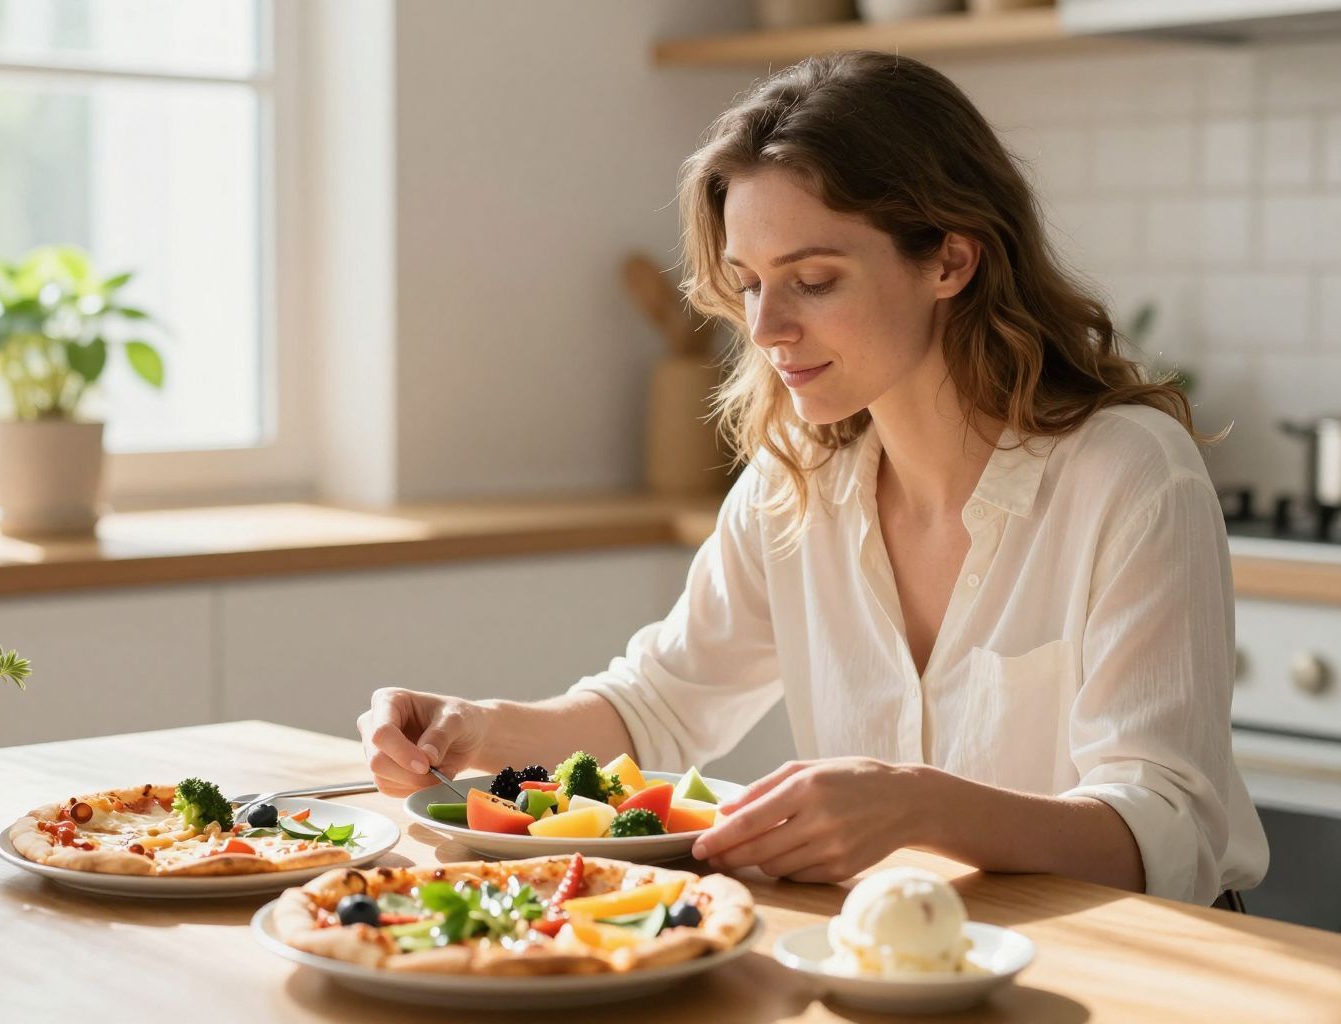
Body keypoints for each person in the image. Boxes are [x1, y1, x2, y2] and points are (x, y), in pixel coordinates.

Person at [359, 51, 1267, 905]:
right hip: (906, 959)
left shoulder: (1130, 476)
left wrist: (918, 805)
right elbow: (659, 709)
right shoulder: (795, 481)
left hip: (1131, 969)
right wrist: (477, 731)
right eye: (749, 282)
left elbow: (1168, 830)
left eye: (815, 280)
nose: (765, 328)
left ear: (952, 259)